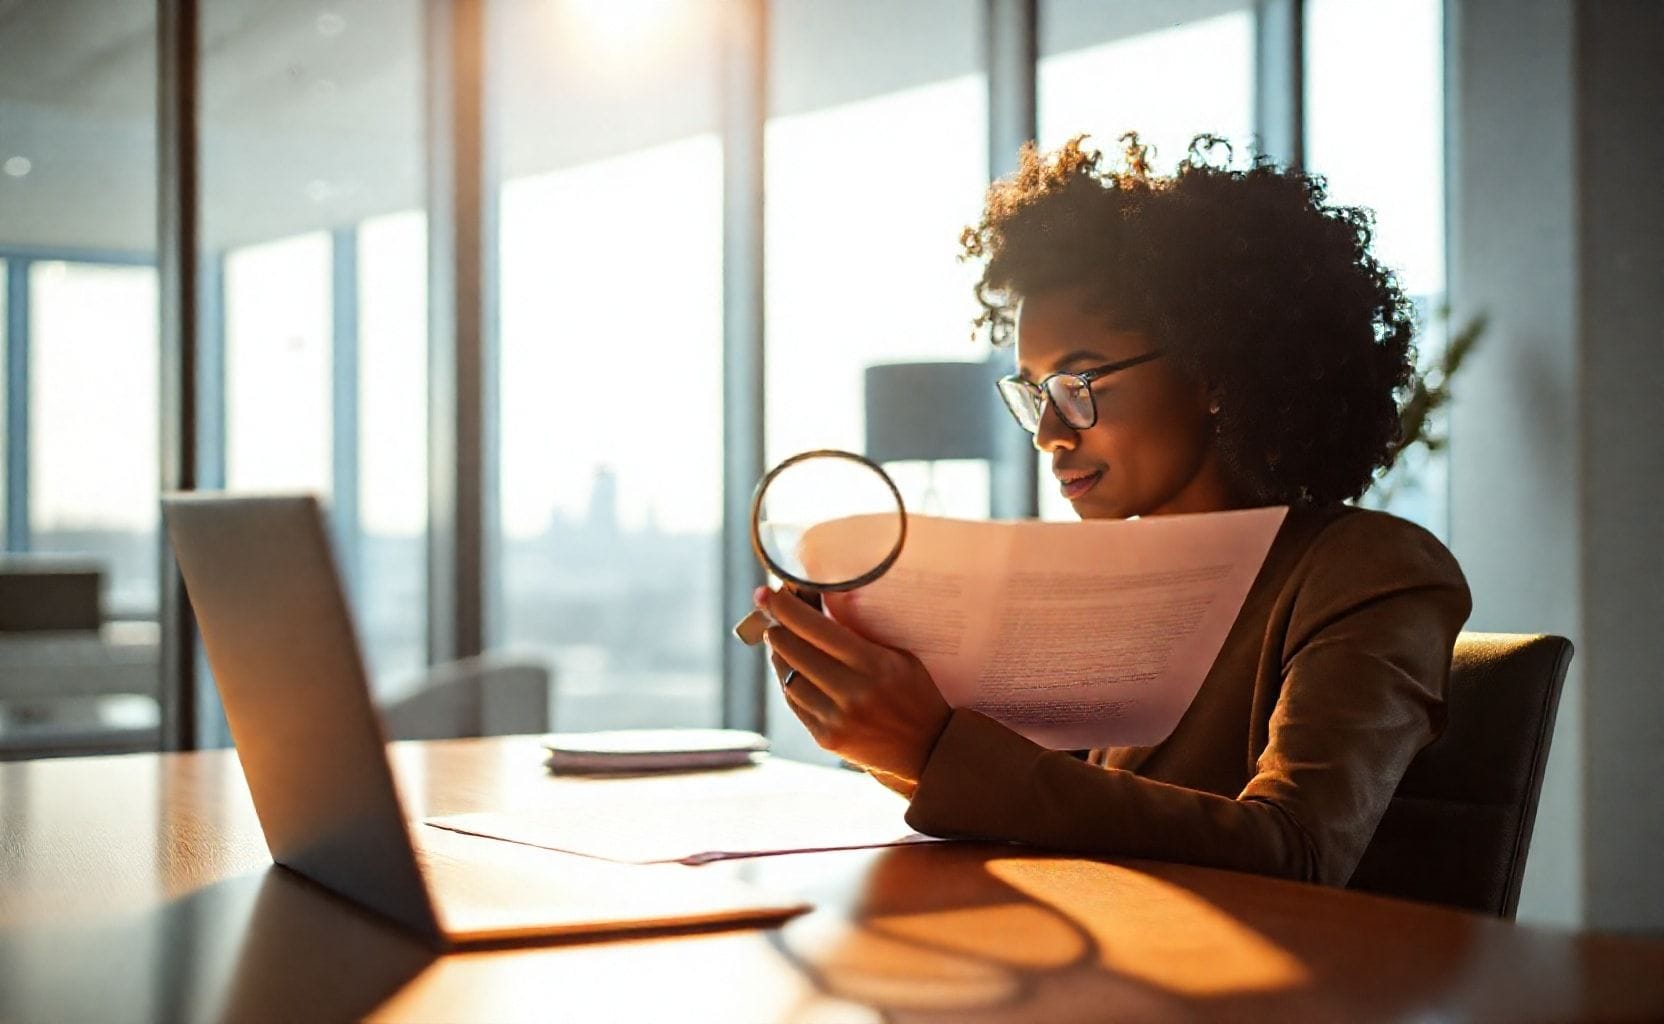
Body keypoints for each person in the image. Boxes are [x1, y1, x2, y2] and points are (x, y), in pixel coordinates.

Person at [757, 133, 1472, 887]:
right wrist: (884, 726)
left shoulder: (1368, 570)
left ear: (1211, 371)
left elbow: (1297, 850)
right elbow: (1046, 802)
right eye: (1033, 393)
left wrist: (934, 747)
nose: (1048, 432)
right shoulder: (1111, 583)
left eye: (1080, 383)